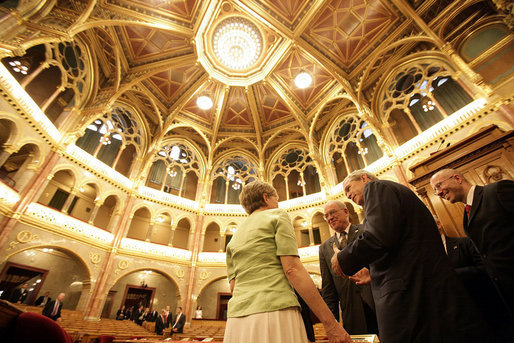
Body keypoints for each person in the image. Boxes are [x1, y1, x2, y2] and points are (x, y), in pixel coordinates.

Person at [331, 170, 486, 342]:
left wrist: (342, 259)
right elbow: (398, 243)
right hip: (419, 292)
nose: (347, 195)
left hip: (409, 298)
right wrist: (372, 273)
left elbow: (379, 235)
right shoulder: (388, 196)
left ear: (364, 178)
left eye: (348, 188)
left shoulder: (377, 187)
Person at [224, 180, 350, 343]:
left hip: (237, 321)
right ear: (266, 198)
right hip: (275, 311)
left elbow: (234, 287)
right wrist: (330, 323)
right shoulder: (277, 215)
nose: (277, 204)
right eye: (276, 199)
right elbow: (292, 270)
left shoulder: (234, 238)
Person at [430, 169, 514, 335]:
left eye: (439, 185)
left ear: (457, 178)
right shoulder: (466, 218)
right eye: (434, 190)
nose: (438, 193)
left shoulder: (497, 191)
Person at [320, 200, 377, 335]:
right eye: (326, 216)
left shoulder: (365, 231)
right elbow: (329, 291)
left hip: (377, 305)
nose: (330, 218)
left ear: (346, 212)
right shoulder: (325, 248)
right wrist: (332, 324)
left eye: (333, 212)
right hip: (352, 315)